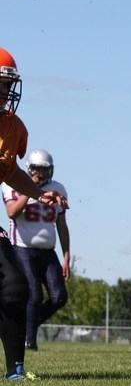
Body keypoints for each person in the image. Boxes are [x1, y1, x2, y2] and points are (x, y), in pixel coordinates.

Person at [0, 47, 67, 380]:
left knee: (14, 288)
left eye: (9, 84)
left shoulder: (13, 127)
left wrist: (40, 194)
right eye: (1, 83)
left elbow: (10, 171)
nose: (7, 92)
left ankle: (14, 369)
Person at [2, 149, 70, 351]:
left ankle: (29, 324)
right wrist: (31, 192)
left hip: (48, 250)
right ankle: (29, 341)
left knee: (59, 296)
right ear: (28, 169)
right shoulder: (11, 183)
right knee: (34, 294)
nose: (40, 173)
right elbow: (12, 213)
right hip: (22, 247)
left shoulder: (58, 188)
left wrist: (66, 256)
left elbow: (62, 225)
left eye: (44, 169)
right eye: (36, 169)